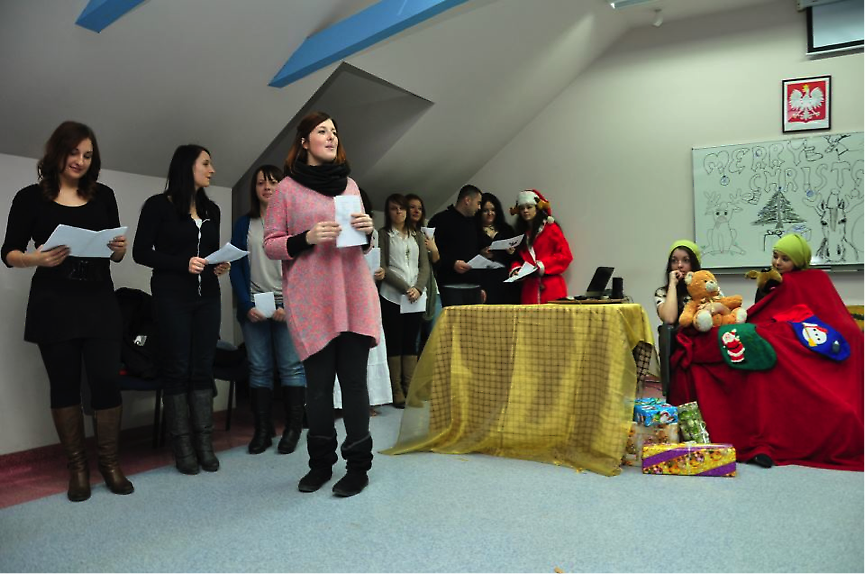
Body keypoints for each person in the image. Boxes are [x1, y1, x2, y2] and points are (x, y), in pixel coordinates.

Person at [1, 121, 133, 501]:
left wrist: (120, 249)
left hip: (99, 301)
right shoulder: (29, 198)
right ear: (57, 152)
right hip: (54, 304)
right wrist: (36, 259)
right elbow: (8, 252)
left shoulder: (103, 195)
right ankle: (78, 469)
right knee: (64, 385)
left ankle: (110, 464)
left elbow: (115, 252)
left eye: (88, 155)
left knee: (106, 381)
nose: (80, 160)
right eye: (74, 152)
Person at [263, 111, 379, 498]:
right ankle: (320, 466)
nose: (331, 137)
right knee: (317, 390)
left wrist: (368, 233)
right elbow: (271, 244)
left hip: (354, 296)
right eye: (322, 131)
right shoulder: (286, 190)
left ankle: (358, 468)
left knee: (355, 387)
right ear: (304, 141)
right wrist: (306, 238)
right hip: (312, 303)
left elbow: (360, 243)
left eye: (334, 131)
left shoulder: (350, 185)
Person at [132, 144, 230, 475]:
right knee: (177, 368)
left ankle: (204, 443)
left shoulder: (212, 209)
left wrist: (218, 265)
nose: (212, 170)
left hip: (208, 297)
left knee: (202, 368)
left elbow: (209, 253)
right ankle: (183, 446)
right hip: (171, 297)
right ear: (187, 167)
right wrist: (180, 263)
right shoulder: (157, 206)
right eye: (206, 163)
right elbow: (141, 252)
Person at [229, 165, 307, 455]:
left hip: (288, 304)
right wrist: (246, 305)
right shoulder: (244, 224)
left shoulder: (293, 223)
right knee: (259, 369)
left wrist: (289, 304)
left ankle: (293, 429)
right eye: (261, 183)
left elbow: (304, 267)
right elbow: (235, 266)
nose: (267, 188)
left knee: (291, 367)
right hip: (254, 306)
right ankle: (262, 430)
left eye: (273, 183)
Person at [379, 194, 430, 408]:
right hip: (392, 296)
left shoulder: (417, 234)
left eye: (402, 208)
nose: (399, 212)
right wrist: (405, 288)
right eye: (394, 209)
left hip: (415, 297)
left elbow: (424, 266)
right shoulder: (383, 234)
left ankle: (410, 388)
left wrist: (418, 288)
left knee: (411, 342)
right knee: (395, 342)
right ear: (388, 212)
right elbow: (383, 266)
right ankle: (396, 390)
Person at [508, 189, 573, 304]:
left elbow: (565, 256)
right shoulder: (520, 233)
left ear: (537, 208)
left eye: (529, 207)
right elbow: (518, 259)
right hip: (529, 289)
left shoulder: (551, 228)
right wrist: (516, 269)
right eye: (522, 208)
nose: (525, 211)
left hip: (551, 287)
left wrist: (541, 265)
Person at [428, 184, 484, 307]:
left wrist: (481, 286)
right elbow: (430, 251)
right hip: (450, 286)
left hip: (474, 287)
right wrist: (452, 263)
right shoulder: (440, 220)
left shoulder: (474, 222)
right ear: (467, 200)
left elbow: (477, 250)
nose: (479, 207)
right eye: (478, 203)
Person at [405, 193, 441, 351]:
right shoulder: (401, 234)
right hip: (412, 288)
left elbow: (436, 261)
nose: (416, 211)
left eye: (419, 208)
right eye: (412, 207)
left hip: (432, 289)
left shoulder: (426, 233)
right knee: (414, 340)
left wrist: (434, 248)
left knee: (437, 337)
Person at [476, 192, 520, 304]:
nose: (490, 213)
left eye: (493, 210)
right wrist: (481, 254)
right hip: (484, 280)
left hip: (505, 280)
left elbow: (517, 257)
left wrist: (511, 252)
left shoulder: (506, 229)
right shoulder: (474, 230)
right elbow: (468, 255)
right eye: (485, 211)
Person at [654, 240, 703, 326]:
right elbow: (669, 319)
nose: (679, 265)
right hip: (679, 334)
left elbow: (724, 312)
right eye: (674, 261)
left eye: (686, 260)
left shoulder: (707, 287)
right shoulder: (662, 292)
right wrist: (672, 284)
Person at [754, 233, 811, 304]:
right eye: (775, 257)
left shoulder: (808, 286)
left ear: (798, 262)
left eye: (785, 259)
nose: (777, 262)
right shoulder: (766, 282)